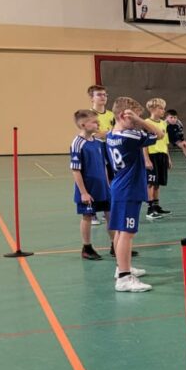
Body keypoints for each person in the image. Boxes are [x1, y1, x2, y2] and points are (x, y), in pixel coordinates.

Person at [106, 97, 163, 292]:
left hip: (120, 186)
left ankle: (121, 267)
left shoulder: (112, 134)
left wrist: (136, 120)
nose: (138, 122)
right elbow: (159, 134)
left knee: (120, 231)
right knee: (127, 233)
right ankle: (124, 278)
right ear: (124, 116)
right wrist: (140, 121)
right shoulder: (129, 136)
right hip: (128, 189)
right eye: (135, 118)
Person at [69, 109, 110, 261]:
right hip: (88, 188)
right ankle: (87, 248)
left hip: (103, 187)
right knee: (87, 216)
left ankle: (116, 245)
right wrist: (83, 192)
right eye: (94, 122)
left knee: (110, 214)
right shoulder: (77, 143)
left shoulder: (99, 143)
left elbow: (104, 166)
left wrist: (107, 185)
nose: (98, 124)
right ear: (83, 125)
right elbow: (75, 170)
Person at [144, 98, 171, 218]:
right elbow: (144, 144)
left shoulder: (163, 123)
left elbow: (165, 142)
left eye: (163, 108)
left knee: (158, 183)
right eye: (160, 108)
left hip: (162, 155)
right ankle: (150, 209)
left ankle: (156, 206)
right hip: (152, 155)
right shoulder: (146, 123)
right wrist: (146, 159)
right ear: (152, 109)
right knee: (150, 182)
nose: (163, 111)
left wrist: (168, 157)